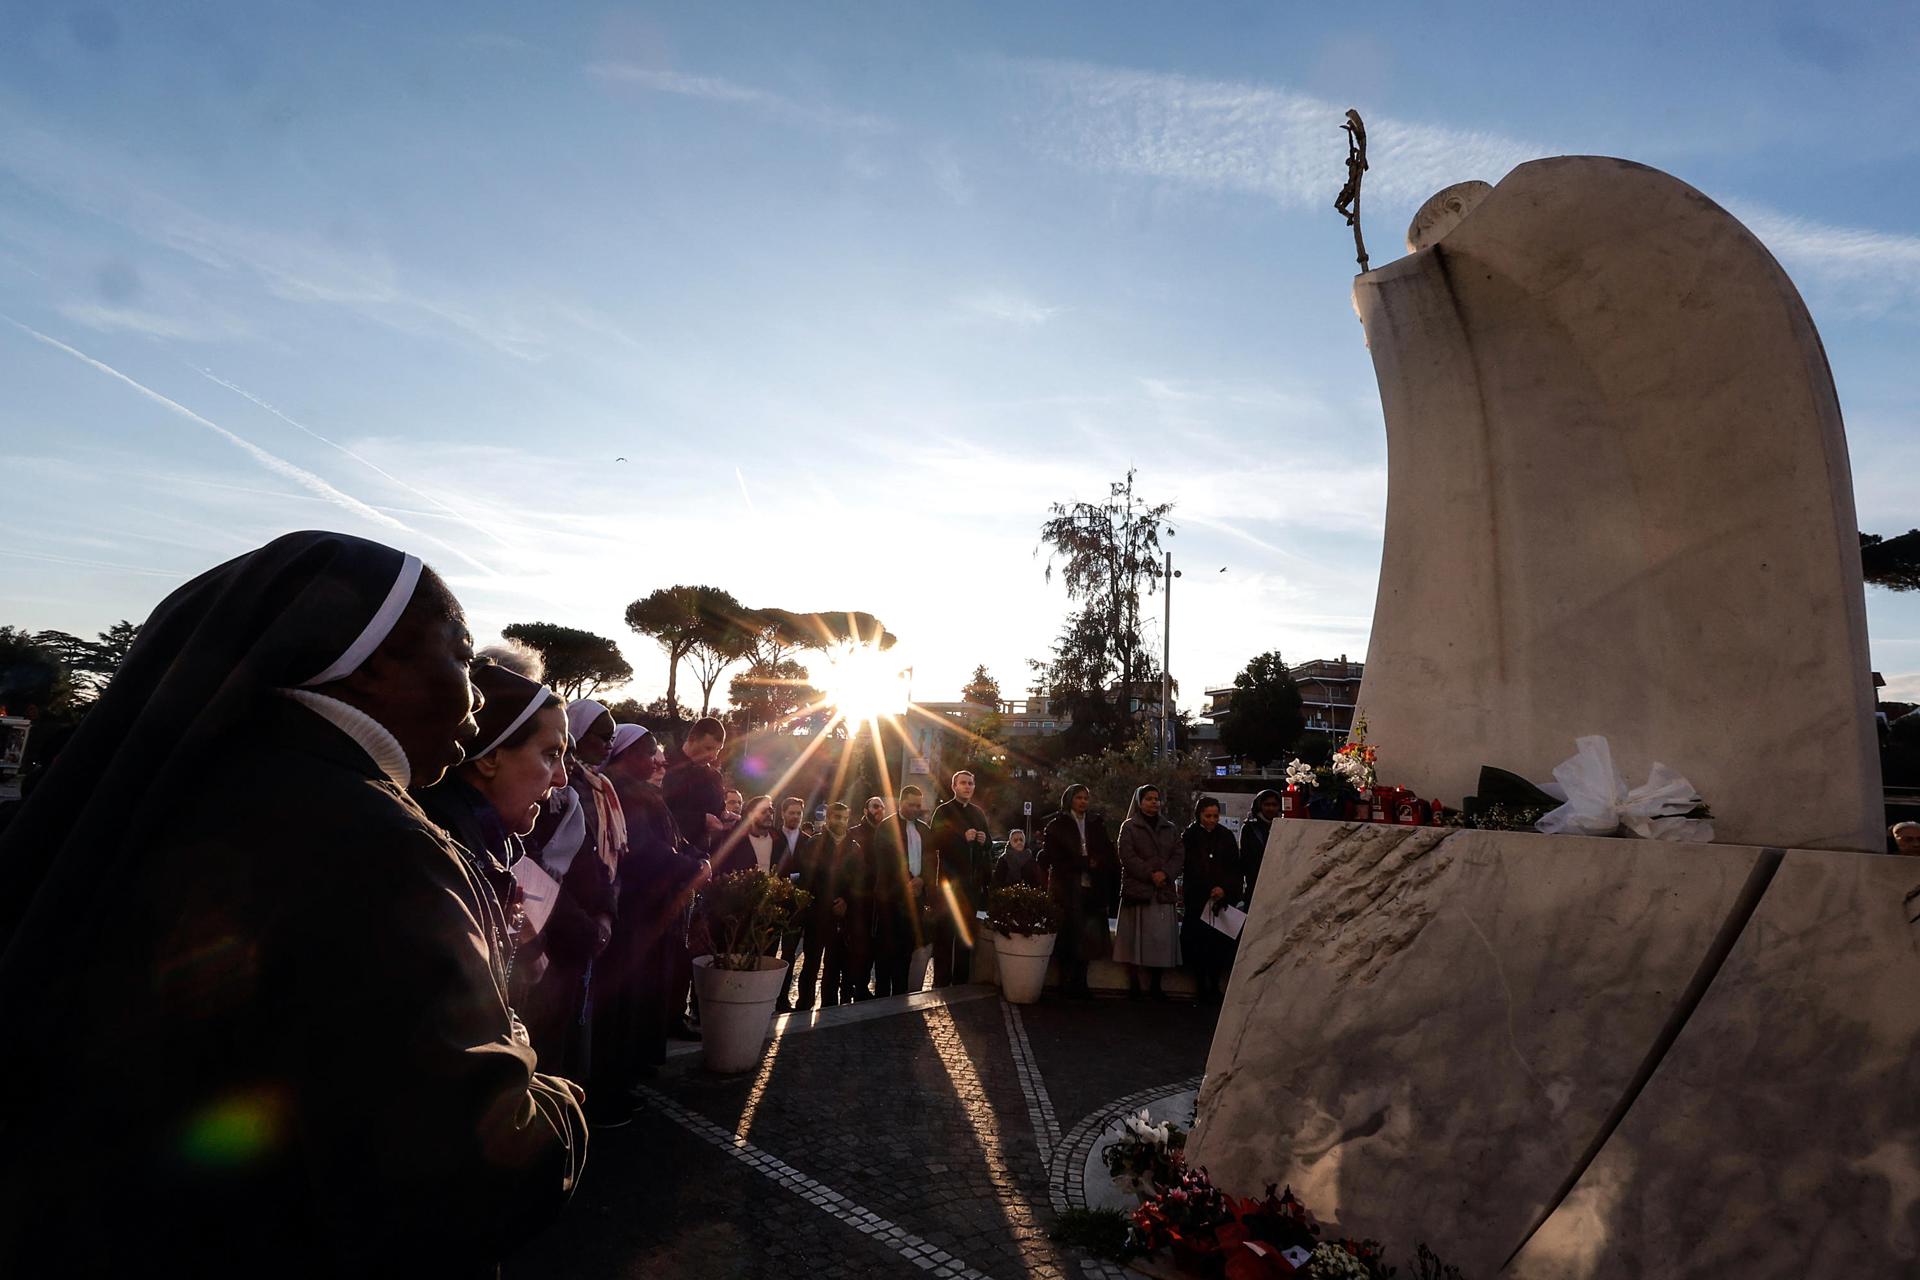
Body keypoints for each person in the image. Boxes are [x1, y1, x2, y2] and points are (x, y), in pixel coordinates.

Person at [0, 531, 586, 1275]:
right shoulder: (376, 842)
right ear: (371, 664)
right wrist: (558, 1100)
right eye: (462, 657)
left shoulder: (199, 788)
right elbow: (465, 1175)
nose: (476, 697)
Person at [414, 664, 569, 1017]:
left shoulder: (486, 851)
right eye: (550, 754)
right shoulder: (442, 859)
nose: (560, 778)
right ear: (489, 758)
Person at [598, 725, 707, 1100]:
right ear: (626, 754)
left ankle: (639, 1062)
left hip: (652, 911)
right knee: (629, 997)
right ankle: (619, 1078)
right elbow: (644, 851)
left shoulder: (640, 790)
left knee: (648, 991)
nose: (659, 759)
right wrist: (692, 868)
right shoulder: (622, 792)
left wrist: (699, 857)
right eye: (650, 752)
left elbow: (672, 839)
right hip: (634, 913)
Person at [523, 701, 625, 1095]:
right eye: (602, 734)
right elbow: (530, 861)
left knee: (565, 1045)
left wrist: (604, 912)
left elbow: (592, 859)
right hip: (549, 936)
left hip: (582, 931)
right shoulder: (563, 789)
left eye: (613, 736)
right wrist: (586, 926)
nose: (608, 743)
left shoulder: (589, 784)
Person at [1038, 784, 1115, 999]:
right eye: (1078, 798)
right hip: (1067, 888)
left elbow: (1106, 851)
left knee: (1088, 936)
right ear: (1070, 799)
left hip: (1091, 888)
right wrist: (1083, 862)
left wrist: (1095, 863)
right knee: (1067, 934)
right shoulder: (1057, 825)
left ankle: (1081, 981)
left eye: (1085, 798)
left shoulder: (1095, 823)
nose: (1082, 802)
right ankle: (1064, 980)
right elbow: (1054, 856)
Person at [785, 802, 858, 1010]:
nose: (841, 822)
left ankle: (829, 1004)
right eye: (837, 817)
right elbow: (808, 878)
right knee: (811, 962)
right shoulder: (814, 844)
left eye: (844, 818)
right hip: (817, 913)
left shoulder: (853, 845)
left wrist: (846, 901)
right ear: (828, 819)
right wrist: (828, 902)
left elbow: (859, 880)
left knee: (834, 964)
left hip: (842, 916)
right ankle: (804, 1003)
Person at [1115, 784, 1182, 1000]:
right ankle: (1134, 983)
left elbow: (1178, 855)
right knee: (1132, 939)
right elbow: (1126, 855)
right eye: (1149, 799)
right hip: (1138, 890)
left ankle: (1156, 984)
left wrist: (1166, 873)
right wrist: (1149, 873)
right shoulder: (1129, 827)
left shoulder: (1170, 828)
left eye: (1156, 799)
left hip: (1162, 891)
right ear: (1139, 802)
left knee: (1162, 940)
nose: (1154, 802)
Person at [870, 785, 936, 997]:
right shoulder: (886, 826)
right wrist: (908, 883)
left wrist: (922, 881)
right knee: (885, 950)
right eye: (911, 805)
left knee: (906, 949)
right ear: (901, 803)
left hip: (915, 899)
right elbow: (887, 862)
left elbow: (930, 860)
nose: (915, 809)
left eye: (918, 805)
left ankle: (900, 994)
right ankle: (881, 995)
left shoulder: (924, 829)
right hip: (890, 898)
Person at [928, 770, 992, 986]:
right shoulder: (943, 811)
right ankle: (941, 982)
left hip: (971, 886)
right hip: (948, 885)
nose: (967, 787)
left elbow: (988, 848)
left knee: (966, 936)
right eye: (963, 783)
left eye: (971, 783)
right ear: (954, 787)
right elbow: (934, 841)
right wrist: (960, 838)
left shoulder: (978, 814)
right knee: (945, 936)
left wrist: (985, 841)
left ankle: (961, 983)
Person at [1181, 796, 1244, 1004]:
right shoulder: (1190, 836)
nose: (1211, 820)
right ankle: (1200, 985)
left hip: (1220, 900)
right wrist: (1208, 887)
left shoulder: (1225, 836)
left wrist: (1224, 888)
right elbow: (1190, 867)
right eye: (1207, 816)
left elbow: (1234, 867)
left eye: (1215, 816)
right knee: (1198, 945)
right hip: (1198, 899)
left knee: (1218, 946)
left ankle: (1215, 984)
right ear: (1199, 815)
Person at [843, 795, 889, 999]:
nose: (879, 810)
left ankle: (865, 988)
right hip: (859, 900)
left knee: (875, 947)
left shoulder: (887, 832)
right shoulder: (853, 834)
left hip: (880, 899)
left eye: (881, 807)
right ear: (865, 810)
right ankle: (852, 989)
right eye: (875, 806)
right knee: (856, 948)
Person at [664, 717, 730, 856]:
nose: (713, 756)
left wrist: (726, 817)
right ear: (692, 739)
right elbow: (658, 815)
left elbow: (718, 810)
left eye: (718, 750)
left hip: (706, 858)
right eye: (709, 748)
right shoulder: (664, 767)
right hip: (668, 857)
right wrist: (701, 820)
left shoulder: (715, 777)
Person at [1239, 788, 1283, 909]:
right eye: (1267, 805)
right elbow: (1245, 858)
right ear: (1260, 806)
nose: (1270, 808)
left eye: (1274, 805)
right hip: (1255, 885)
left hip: (1279, 884)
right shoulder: (1249, 828)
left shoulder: (1284, 826)